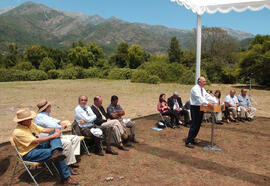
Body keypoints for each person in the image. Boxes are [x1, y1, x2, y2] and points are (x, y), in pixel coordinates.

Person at [12, 108, 78, 185]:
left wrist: (54, 129)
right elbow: (37, 140)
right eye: (29, 118)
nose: (31, 119)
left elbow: (43, 130)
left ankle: (56, 151)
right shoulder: (18, 132)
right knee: (58, 151)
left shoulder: (29, 124)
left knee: (55, 141)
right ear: (23, 121)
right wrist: (54, 135)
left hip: (37, 146)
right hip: (29, 153)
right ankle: (66, 177)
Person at [35, 99, 81, 175]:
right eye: (49, 106)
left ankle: (72, 161)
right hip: (50, 140)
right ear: (47, 108)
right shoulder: (40, 117)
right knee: (67, 142)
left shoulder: (46, 115)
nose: (50, 108)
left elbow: (55, 120)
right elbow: (52, 126)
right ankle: (67, 166)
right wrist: (61, 125)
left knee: (75, 138)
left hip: (57, 136)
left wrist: (60, 122)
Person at [185, 77, 216, 148]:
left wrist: (215, 100)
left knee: (198, 124)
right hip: (195, 108)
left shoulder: (202, 89)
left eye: (205, 81)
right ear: (199, 82)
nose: (205, 83)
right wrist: (208, 104)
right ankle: (188, 141)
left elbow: (207, 96)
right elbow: (200, 98)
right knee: (194, 124)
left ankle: (192, 139)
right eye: (204, 81)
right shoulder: (195, 89)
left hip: (201, 107)